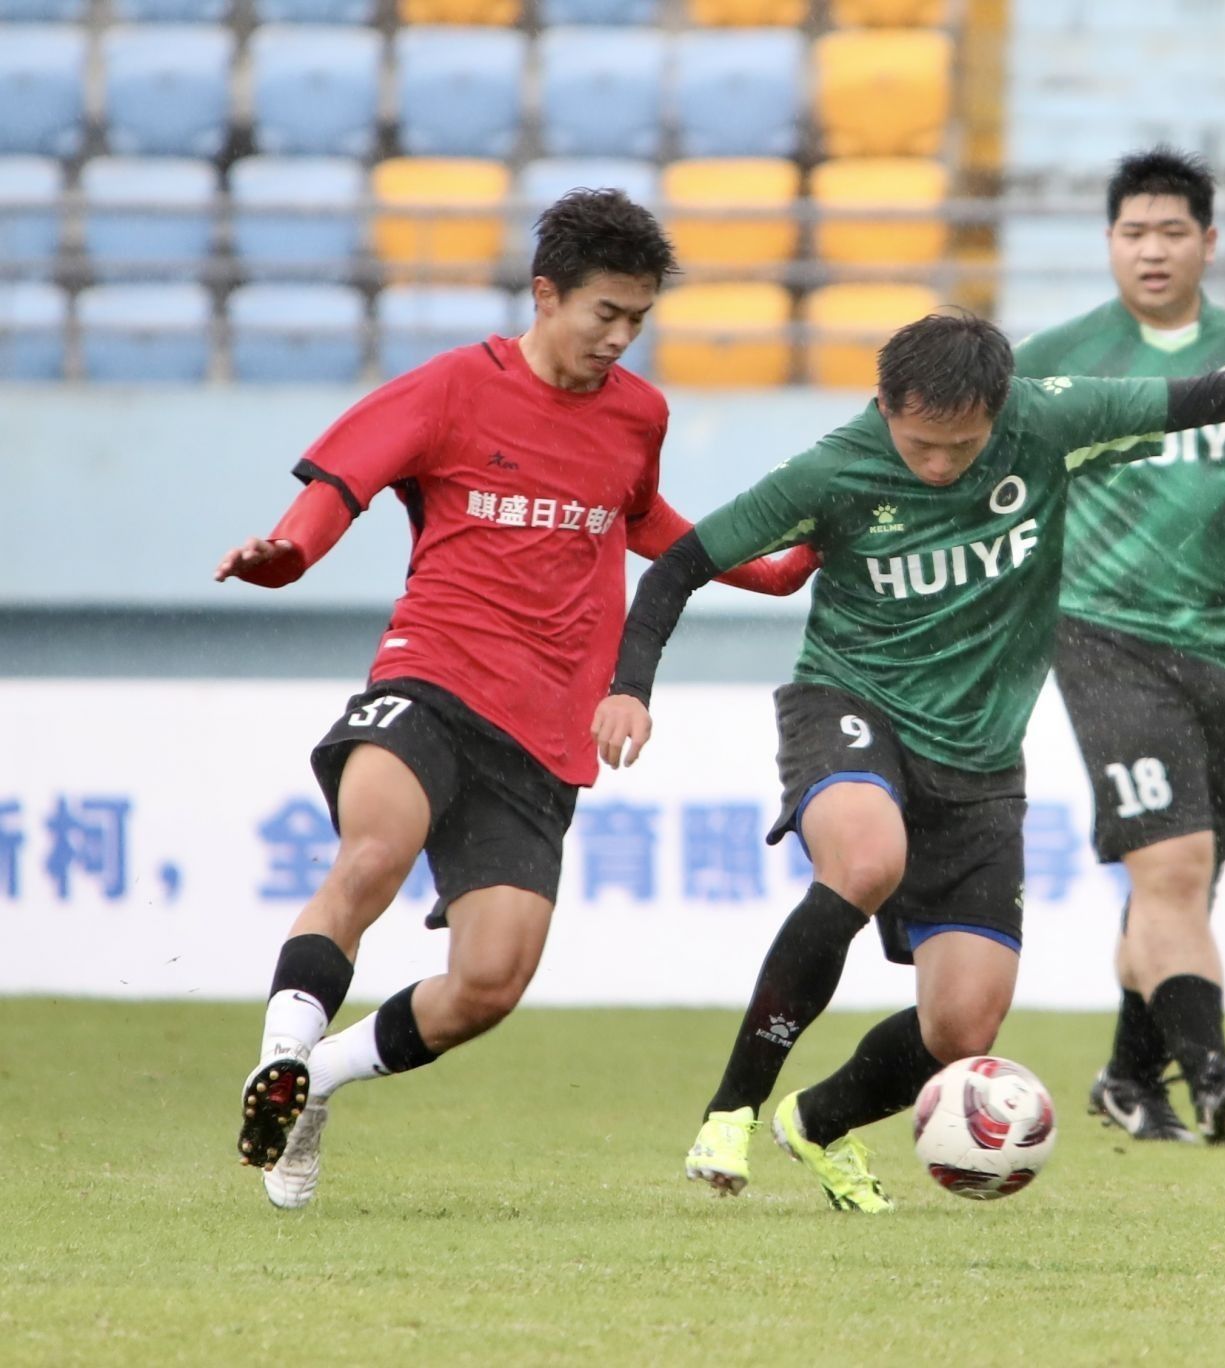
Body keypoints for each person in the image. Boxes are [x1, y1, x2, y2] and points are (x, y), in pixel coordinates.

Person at [595, 311, 1225, 1211]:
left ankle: (815, 1123)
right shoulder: (834, 467)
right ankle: (731, 1108)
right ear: (884, 405)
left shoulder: (1048, 421)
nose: (940, 464)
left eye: (962, 447)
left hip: (978, 757)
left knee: (963, 1023)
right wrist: (630, 685)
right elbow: (679, 567)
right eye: (920, 446)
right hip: (852, 704)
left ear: (999, 409)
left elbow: (1213, 396)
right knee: (864, 859)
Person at [215, 189, 816, 1210]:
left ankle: (311, 1088)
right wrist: (292, 553)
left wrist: (773, 572)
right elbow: (342, 480)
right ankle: (279, 1053)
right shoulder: (454, 388)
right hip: (434, 674)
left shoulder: (639, 415)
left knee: (490, 982)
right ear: (547, 294)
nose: (621, 340)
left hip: (545, 727)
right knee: (373, 851)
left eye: (638, 321)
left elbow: (648, 521)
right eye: (605, 316)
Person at [1015, 148, 1225, 1145]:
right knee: (1171, 868)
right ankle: (1211, 1079)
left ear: (1210, 243)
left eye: (1174, 232)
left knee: (1187, 883)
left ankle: (1130, 1078)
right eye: (1134, 232)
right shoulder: (1056, 357)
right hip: (1103, 639)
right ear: (1109, 244)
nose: (1153, 250)